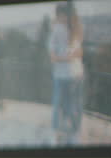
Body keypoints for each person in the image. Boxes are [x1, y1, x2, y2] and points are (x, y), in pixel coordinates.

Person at [49, 2, 85, 145]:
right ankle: (57, 132)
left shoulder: (75, 30)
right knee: (59, 104)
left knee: (74, 105)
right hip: (61, 76)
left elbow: (80, 52)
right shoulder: (56, 31)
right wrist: (69, 58)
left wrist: (65, 58)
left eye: (64, 15)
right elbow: (52, 57)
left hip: (76, 75)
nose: (62, 17)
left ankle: (75, 132)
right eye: (60, 15)